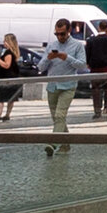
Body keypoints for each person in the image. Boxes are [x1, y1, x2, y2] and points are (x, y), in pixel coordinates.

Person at [38, 20, 86, 157]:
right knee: (57, 118)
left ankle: (53, 143)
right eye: (57, 34)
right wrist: (49, 58)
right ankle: (65, 143)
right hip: (52, 86)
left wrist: (67, 58)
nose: (59, 37)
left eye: (62, 34)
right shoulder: (52, 45)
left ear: (69, 31)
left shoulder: (77, 45)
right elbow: (41, 67)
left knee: (60, 115)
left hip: (68, 85)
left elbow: (82, 65)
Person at [0, 33, 25, 122]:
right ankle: (7, 114)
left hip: (6, 79)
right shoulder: (14, 53)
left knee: (1, 98)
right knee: (11, 98)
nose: (3, 43)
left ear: (9, 42)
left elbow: (6, 65)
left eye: (5, 41)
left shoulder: (8, 53)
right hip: (12, 78)